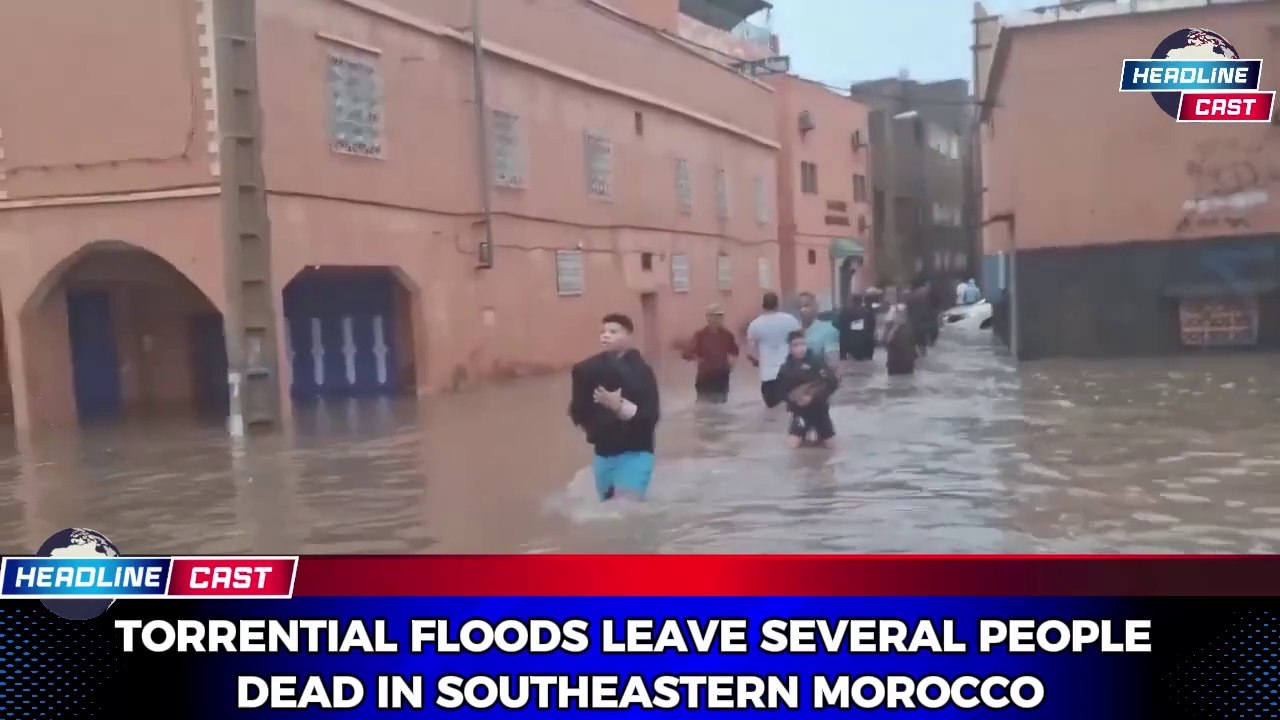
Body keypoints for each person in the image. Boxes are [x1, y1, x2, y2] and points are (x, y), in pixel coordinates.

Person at [568, 313, 660, 501]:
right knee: (609, 509)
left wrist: (619, 407)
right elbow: (578, 409)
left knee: (624, 509)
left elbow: (651, 416)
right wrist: (587, 425)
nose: (605, 335)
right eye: (603, 332)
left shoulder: (642, 372)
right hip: (603, 455)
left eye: (613, 331)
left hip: (636, 453)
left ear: (628, 336)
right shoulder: (588, 370)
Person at [777, 330, 838, 449]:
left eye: (802, 344)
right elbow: (782, 391)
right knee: (792, 446)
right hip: (800, 412)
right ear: (789, 348)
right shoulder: (786, 368)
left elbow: (832, 383)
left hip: (819, 411)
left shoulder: (817, 362)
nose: (800, 348)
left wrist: (812, 396)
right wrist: (793, 402)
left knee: (832, 447)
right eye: (796, 345)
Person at [746, 291, 802, 409]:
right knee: (789, 410)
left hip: (768, 376)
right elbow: (800, 342)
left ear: (763, 305)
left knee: (772, 412)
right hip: (788, 372)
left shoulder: (755, 324)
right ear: (778, 304)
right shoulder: (790, 320)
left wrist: (756, 362)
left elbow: (750, 352)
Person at [682, 304, 738, 403]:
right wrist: (698, 359)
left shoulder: (727, 335)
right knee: (704, 407)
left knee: (721, 407)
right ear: (708, 317)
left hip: (722, 377)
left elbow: (734, 352)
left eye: (721, 316)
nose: (719, 319)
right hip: (705, 378)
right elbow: (686, 354)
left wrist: (731, 365)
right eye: (716, 315)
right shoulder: (700, 335)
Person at [797, 291, 841, 368]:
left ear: (816, 307)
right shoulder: (792, 331)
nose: (802, 310)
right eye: (799, 307)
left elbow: (833, 364)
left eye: (806, 305)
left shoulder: (829, 329)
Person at [884, 303, 917, 376]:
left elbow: (888, 342)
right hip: (902, 365)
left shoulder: (906, 327)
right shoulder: (909, 326)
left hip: (900, 365)